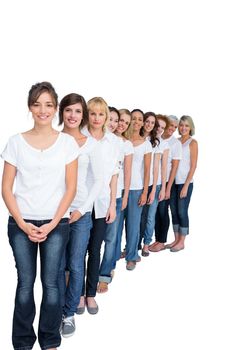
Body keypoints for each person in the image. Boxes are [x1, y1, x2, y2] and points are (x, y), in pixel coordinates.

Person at [1, 82, 79, 350]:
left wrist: (52, 224)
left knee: (52, 284)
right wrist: (23, 224)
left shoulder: (67, 143)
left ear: (55, 108)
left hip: (56, 224)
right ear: (29, 107)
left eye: (48, 104)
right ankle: (22, 342)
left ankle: (49, 340)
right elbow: (6, 188)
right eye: (37, 104)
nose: (42, 110)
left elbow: (71, 188)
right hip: (20, 223)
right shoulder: (15, 142)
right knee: (25, 284)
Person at [58, 93, 103, 337]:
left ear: (82, 115)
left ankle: (69, 313)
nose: (72, 115)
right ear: (61, 113)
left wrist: (82, 209)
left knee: (75, 265)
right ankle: (54, 310)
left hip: (80, 213)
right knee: (56, 266)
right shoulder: (54, 140)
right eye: (68, 110)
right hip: (54, 212)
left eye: (77, 111)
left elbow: (98, 180)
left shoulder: (91, 145)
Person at [78, 97, 121, 313]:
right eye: (92, 113)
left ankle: (90, 295)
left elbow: (114, 175)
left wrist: (113, 204)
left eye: (100, 114)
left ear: (106, 116)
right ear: (88, 115)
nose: (96, 118)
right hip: (81, 203)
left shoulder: (113, 142)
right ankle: (77, 294)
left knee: (95, 249)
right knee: (77, 252)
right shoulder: (79, 136)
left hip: (102, 203)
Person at [98, 108, 134, 292]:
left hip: (117, 196)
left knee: (112, 238)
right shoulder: (98, 138)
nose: (118, 124)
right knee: (94, 240)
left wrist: (126, 195)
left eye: (123, 122)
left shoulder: (126, 145)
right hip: (97, 197)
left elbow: (127, 173)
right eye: (115, 119)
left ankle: (104, 274)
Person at [124, 109, 152, 270]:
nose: (136, 121)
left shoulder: (146, 144)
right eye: (133, 118)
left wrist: (145, 192)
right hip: (120, 188)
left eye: (139, 119)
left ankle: (132, 256)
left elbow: (147, 170)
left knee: (133, 225)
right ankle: (120, 253)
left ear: (142, 123)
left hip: (136, 188)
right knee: (117, 225)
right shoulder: (123, 139)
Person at [149, 115, 182, 252]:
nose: (172, 129)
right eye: (171, 125)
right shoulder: (158, 138)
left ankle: (161, 241)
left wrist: (167, 188)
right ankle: (157, 239)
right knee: (155, 211)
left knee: (162, 211)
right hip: (154, 181)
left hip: (167, 181)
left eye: (175, 127)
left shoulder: (175, 144)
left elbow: (174, 167)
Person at [168, 115, 198, 251]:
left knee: (182, 211)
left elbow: (193, 166)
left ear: (190, 127)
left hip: (185, 183)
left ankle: (182, 241)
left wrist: (186, 186)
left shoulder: (193, 143)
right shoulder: (175, 141)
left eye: (186, 125)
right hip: (173, 182)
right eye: (181, 125)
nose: (183, 128)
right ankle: (175, 239)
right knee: (173, 211)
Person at [138, 112, 163, 256]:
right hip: (139, 184)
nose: (149, 124)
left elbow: (155, 168)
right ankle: (134, 245)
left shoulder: (156, 143)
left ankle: (146, 244)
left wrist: (153, 189)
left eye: (152, 123)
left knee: (149, 217)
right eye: (147, 121)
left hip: (153, 184)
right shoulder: (137, 138)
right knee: (139, 218)